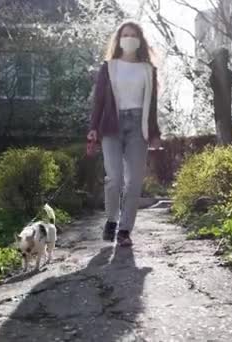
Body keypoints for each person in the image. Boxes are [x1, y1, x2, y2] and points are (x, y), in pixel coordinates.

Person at [87, 21, 162, 247]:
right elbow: (99, 100)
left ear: (140, 40)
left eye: (133, 35)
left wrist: (155, 132)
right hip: (111, 125)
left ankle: (125, 230)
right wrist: (93, 128)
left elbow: (152, 105)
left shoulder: (148, 70)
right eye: (125, 35)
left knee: (134, 181)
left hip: (139, 127)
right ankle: (111, 220)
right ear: (119, 40)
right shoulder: (109, 67)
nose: (129, 38)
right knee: (114, 179)